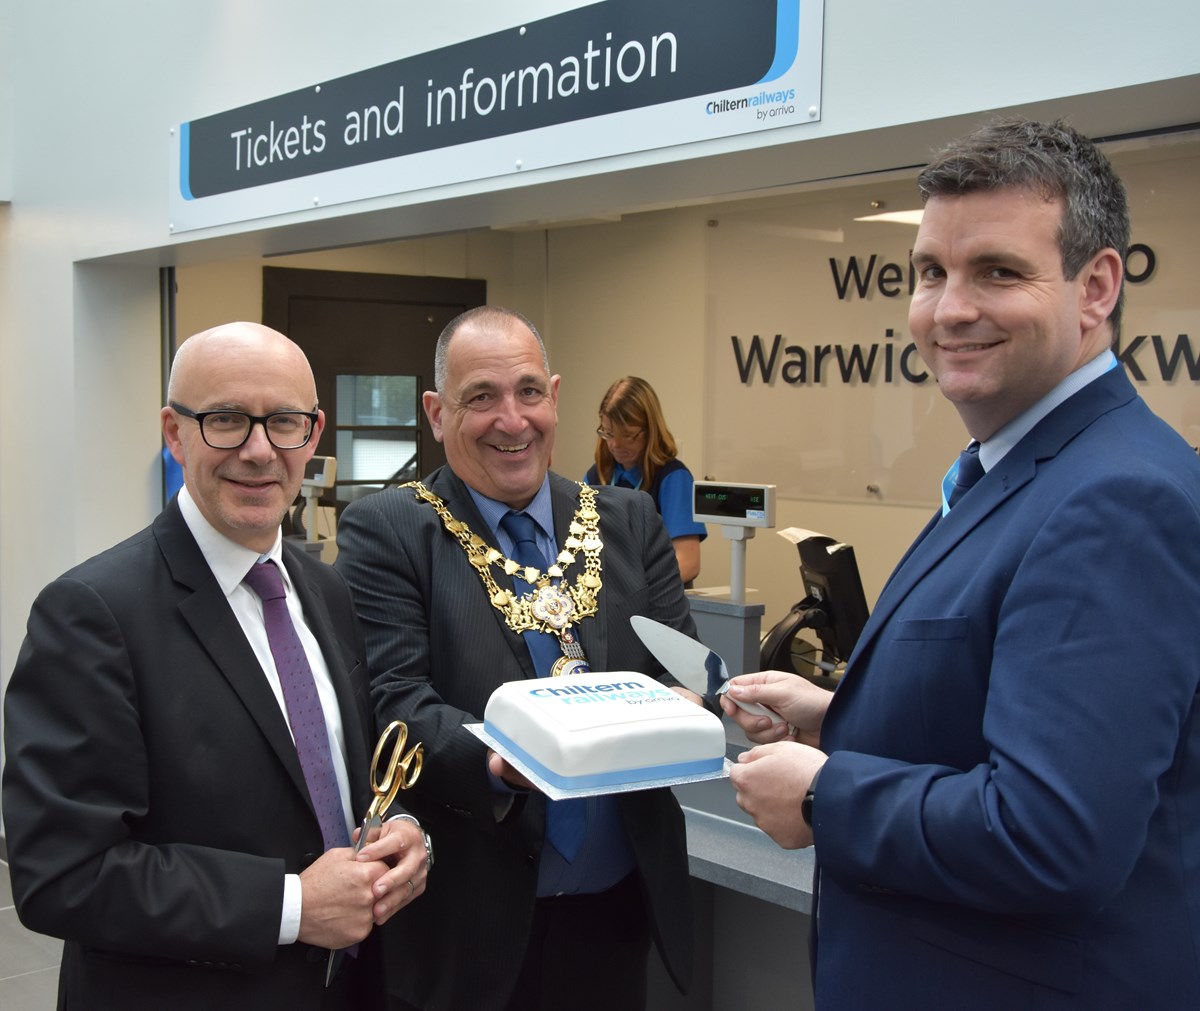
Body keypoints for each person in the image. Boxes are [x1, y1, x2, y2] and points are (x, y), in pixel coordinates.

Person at [722, 118, 1200, 1008]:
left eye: (998, 271)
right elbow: (1015, 712)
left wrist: (830, 795)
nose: (948, 309)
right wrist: (839, 716)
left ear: (1096, 287)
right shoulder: (1005, 474)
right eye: (931, 272)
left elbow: (1053, 832)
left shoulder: (1117, 499)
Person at [3, 322, 432, 1011]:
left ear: (313, 433)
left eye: (284, 421)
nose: (260, 450)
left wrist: (401, 826)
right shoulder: (92, 614)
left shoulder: (324, 590)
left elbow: (332, 778)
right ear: (174, 433)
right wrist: (292, 904)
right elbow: (64, 874)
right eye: (227, 420)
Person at [334, 306, 702, 1011]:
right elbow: (397, 700)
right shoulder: (392, 529)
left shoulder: (628, 521)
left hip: (615, 909)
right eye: (482, 397)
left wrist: (687, 704)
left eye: (529, 392)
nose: (513, 419)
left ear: (555, 397)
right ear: (437, 413)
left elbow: (676, 669)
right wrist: (499, 760)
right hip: (470, 921)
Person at [585, 376, 707, 584]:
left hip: (657, 604)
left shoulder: (673, 477)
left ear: (650, 430)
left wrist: (637, 589)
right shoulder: (596, 477)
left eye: (627, 435)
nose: (615, 444)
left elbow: (688, 562)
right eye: (608, 433)